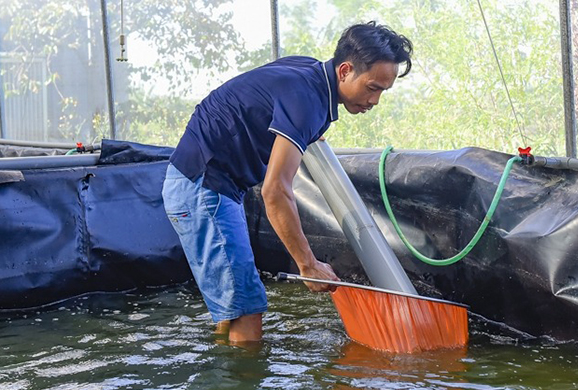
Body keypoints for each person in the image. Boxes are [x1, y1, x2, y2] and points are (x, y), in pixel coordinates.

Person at [161, 22, 413, 343]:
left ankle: (225, 369)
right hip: (203, 187)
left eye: (382, 91)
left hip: (203, 182)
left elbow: (266, 102)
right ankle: (239, 385)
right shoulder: (306, 100)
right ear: (346, 70)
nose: (375, 100)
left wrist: (306, 129)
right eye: (372, 87)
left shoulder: (308, 72)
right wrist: (306, 264)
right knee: (247, 308)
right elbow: (275, 190)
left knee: (235, 305)